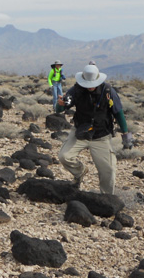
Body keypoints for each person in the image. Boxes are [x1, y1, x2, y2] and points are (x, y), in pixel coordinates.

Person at [56, 61, 133, 195]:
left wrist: (126, 136)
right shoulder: (76, 90)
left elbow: (118, 113)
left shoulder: (108, 92)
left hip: (101, 136)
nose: (90, 87)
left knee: (108, 170)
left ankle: (107, 198)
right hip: (80, 132)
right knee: (64, 156)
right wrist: (60, 104)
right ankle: (80, 172)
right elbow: (61, 108)